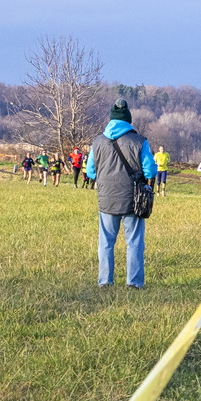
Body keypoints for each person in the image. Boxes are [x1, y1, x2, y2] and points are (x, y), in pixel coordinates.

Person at [84, 99, 157, 288]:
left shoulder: (97, 142)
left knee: (106, 243)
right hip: (133, 199)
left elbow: (90, 172)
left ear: (111, 119)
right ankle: (134, 282)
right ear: (128, 120)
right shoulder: (140, 141)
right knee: (134, 242)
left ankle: (105, 281)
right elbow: (150, 171)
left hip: (106, 198)